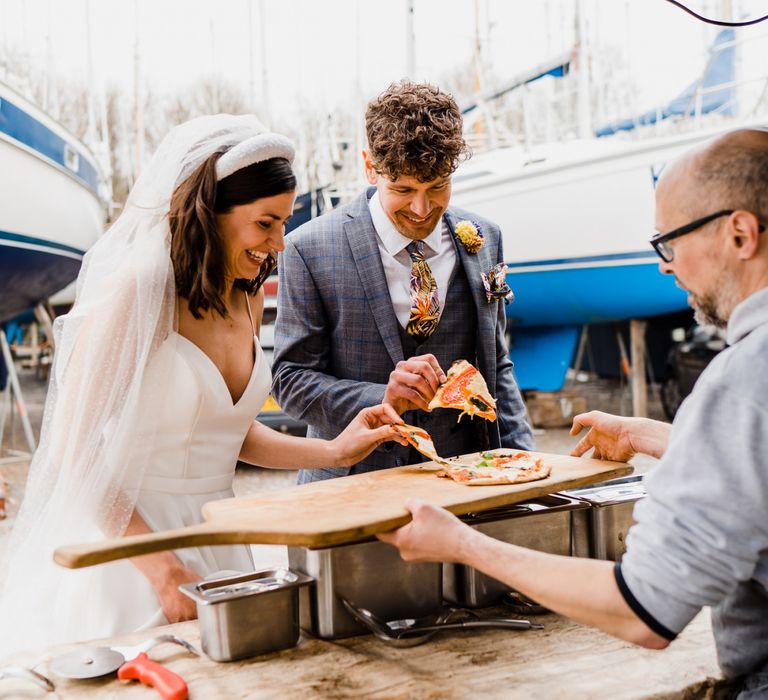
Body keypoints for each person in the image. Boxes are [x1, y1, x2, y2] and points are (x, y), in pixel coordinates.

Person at [378, 128, 768, 697]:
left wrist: (461, 543)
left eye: (670, 243)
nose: (665, 266)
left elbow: (644, 610)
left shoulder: (738, 382)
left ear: (740, 234)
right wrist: (643, 434)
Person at [0, 114, 403, 656]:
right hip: (134, 553)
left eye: (283, 224)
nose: (280, 243)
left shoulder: (247, 297)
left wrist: (333, 448)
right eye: (265, 224)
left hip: (219, 543)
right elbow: (77, 453)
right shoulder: (139, 291)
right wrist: (162, 568)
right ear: (211, 214)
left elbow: (228, 431)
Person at [272, 81, 533, 484]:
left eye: (437, 187)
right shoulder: (307, 248)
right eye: (403, 189)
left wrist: (523, 465)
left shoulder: (485, 237)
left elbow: (497, 366)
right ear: (369, 166)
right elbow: (291, 380)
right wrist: (381, 397)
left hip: (466, 486)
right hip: (351, 487)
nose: (421, 208)